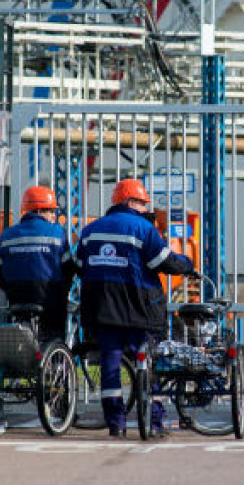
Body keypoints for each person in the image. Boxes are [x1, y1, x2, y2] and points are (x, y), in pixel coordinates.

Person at [76, 178, 194, 438]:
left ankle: (116, 423)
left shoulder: (90, 230)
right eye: (142, 202)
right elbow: (165, 262)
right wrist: (187, 265)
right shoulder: (144, 228)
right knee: (150, 363)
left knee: (110, 365)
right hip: (139, 308)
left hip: (101, 309)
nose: (145, 207)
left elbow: (78, 262)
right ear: (129, 201)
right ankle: (153, 421)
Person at [0, 185, 77, 341]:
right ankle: (54, 360)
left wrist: (9, 287)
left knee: (21, 336)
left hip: (17, 297)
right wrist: (63, 291)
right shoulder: (57, 233)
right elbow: (68, 269)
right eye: (52, 211)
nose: (54, 216)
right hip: (49, 296)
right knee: (53, 335)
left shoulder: (8, 234)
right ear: (41, 211)